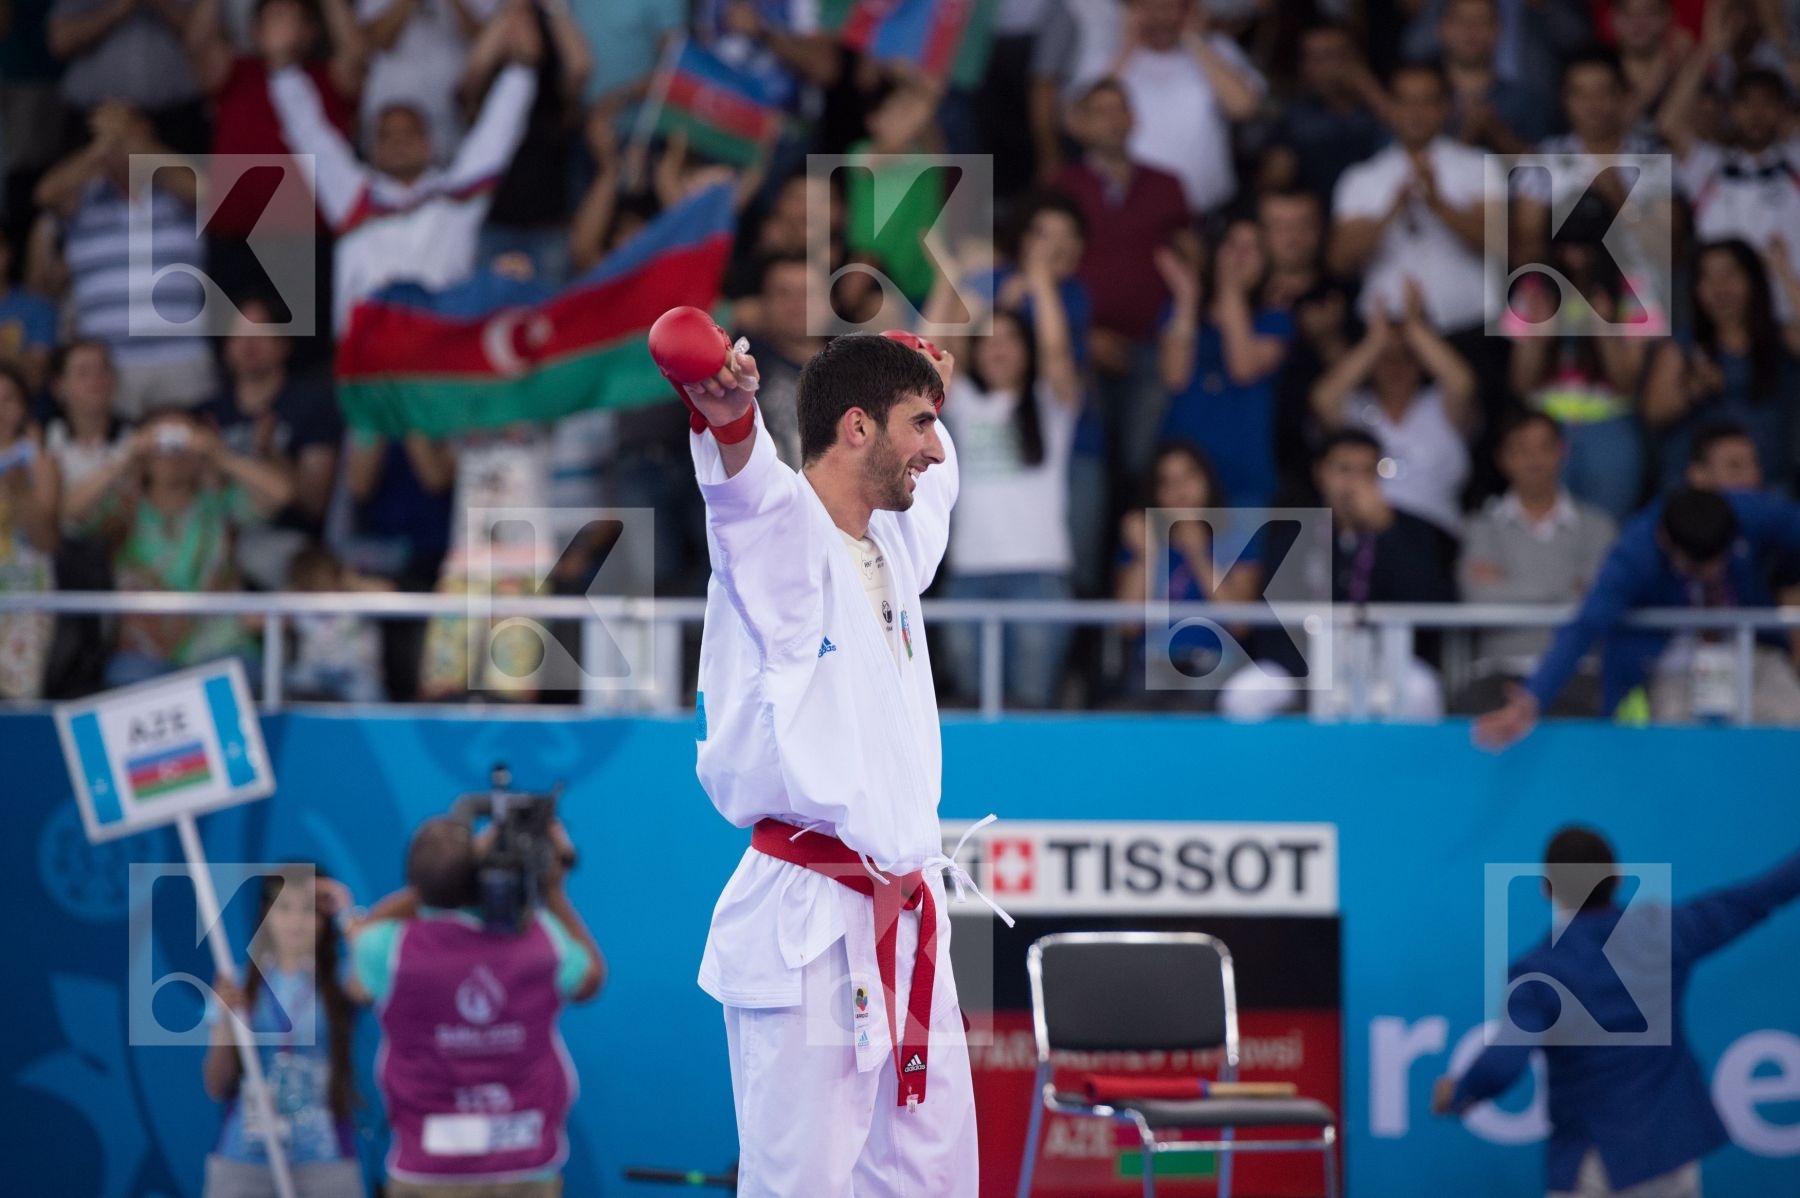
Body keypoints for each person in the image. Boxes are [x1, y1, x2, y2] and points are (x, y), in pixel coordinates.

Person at [680, 330, 1005, 1195]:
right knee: (804, 1184)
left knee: (932, 1181)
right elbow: (745, 499)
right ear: (856, 429)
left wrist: (917, 358)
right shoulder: (784, 543)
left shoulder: (892, 545)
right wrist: (730, 419)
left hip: (906, 912)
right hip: (811, 920)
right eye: (922, 424)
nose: (938, 449)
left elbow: (937, 483)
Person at [1433, 825, 1800, 1198]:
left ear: (1547, 888)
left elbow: (1501, 1063)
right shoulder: (1664, 933)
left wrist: (1461, 1091)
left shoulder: (1539, 972)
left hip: (1594, 1166)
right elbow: (1760, 896)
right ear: (1618, 878)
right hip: (1670, 1156)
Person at [348, 816, 603, 1196]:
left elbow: (362, 933)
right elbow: (591, 979)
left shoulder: (389, 951)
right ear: (478, 879)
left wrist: (432, 885)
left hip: (426, 1172)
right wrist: (551, 889)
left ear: (416, 885)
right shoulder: (540, 941)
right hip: (525, 1171)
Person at [263, 0, 539, 331]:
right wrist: (281, 66)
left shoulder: (457, 196)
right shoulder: (352, 196)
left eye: (410, 133)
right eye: (388, 136)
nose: (399, 142)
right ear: (372, 148)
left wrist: (523, 68)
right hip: (370, 364)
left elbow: (499, 130)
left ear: (432, 144)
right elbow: (307, 129)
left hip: (436, 358)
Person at [1475, 487, 1800, 749]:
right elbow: (1585, 626)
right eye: (1698, 568)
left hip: (1755, 653)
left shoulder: (1747, 513)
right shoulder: (1635, 553)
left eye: (1720, 562)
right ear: (1666, 544)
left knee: (1792, 719)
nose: (1712, 573)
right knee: (1680, 747)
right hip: (1675, 667)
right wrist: (1532, 699)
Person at [932, 242, 1083, 709]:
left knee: (1031, 706)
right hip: (968, 574)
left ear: (1028, 350)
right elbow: (929, 356)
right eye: (988, 341)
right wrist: (950, 278)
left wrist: (1038, 277)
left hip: (1038, 574)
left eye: (1012, 339)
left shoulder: (1049, 406)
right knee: (971, 706)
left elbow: (1058, 350)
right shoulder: (963, 405)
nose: (998, 350)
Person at [62, 406, 293, 687]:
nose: (171, 452)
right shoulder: (124, 507)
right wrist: (124, 455)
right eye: (159, 441)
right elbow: (70, 511)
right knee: (124, 682)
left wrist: (220, 455)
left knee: (241, 680)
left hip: (223, 648)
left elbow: (281, 493)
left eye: (182, 440)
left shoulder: (219, 502)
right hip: (142, 656)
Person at [202, 866, 366, 1198]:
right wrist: (224, 1022)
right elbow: (216, 1086)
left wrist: (345, 907)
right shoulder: (234, 985)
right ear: (266, 914)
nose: (296, 921)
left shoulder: (345, 981)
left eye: (309, 909)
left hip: (324, 1159)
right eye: (284, 908)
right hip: (243, 1159)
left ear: (325, 918)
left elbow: (369, 979)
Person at [1455, 412, 1617, 715]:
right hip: (1498, 670)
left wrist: (1508, 586)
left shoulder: (1598, 526)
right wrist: (1564, 590)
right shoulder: (1481, 526)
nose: (1534, 459)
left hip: (1579, 669)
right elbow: (1479, 599)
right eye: (1521, 449)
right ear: (1503, 458)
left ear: (1562, 451)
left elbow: (1598, 602)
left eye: (1544, 447)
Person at [1329, 62, 1491, 340]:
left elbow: (1501, 245)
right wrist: (1392, 209)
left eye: (1427, 101)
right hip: (1387, 333)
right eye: (1404, 101)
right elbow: (1340, 261)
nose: (1415, 112)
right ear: (1390, 108)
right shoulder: (1361, 177)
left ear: (1446, 107)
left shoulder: (1480, 166)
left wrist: (1438, 205)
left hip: (1469, 323)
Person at [1309, 278, 1476, 541]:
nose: (1396, 367)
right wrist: (1374, 342)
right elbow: (1322, 399)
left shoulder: (1440, 405)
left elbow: (1462, 383)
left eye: (1407, 357)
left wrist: (1415, 327)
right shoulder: (1356, 406)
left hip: (1434, 536)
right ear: (1371, 364)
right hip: (1364, 534)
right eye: (1386, 358)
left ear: (1422, 362)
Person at [1643, 239, 1800, 494]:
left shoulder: (1781, 340)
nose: (1720, 288)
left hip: (1768, 487)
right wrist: (1695, 388)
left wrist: (1782, 271)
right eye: (1707, 278)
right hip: (1695, 493)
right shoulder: (1682, 345)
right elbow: (1654, 412)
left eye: (1730, 274)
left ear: (1753, 281)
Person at [1157, 219, 1293, 512]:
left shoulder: (1274, 319)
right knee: (1178, 557)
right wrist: (1186, 297)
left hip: (1244, 468)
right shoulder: (1182, 310)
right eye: (1232, 245)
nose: (1240, 255)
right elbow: (1174, 377)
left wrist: (1230, 290)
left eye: (1252, 249)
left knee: (1241, 559)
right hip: (1182, 468)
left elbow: (1242, 368)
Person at [0, 363, 57, 700]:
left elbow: (46, 541)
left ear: (22, 408)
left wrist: (20, 493)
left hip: (26, 594)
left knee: (15, 701)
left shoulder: (40, 462)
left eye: (8, 400)